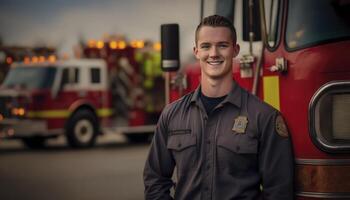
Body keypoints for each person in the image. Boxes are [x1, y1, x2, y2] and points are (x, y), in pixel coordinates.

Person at [143, 15, 294, 200]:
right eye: (206, 46)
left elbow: (278, 192)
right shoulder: (171, 115)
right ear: (196, 51)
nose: (213, 53)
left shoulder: (264, 117)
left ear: (235, 50)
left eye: (222, 45)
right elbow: (155, 180)